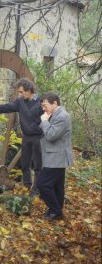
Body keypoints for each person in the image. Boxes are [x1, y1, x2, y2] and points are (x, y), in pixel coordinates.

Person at [0, 78, 44, 195]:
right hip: (26, 137)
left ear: (29, 90)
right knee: (25, 164)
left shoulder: (40, 102)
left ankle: (36, 190)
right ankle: (27, 186)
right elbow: (8, 106)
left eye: (21, 92)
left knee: (38, 165)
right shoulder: (20, 102)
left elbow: (47, 118)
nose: (19, 94)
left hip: (38, 138)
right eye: (19, 92)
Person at [37, 91, 73, 220]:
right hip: (55, 156)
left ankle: (56, 211)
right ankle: (56, 211)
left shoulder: (62, 116)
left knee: (42, 184)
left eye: (45, 105)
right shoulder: (55, 114)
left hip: (56, 157)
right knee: (57, 186)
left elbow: (51, 135)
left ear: (55, 103)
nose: (43, 108)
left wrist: (44, 121)